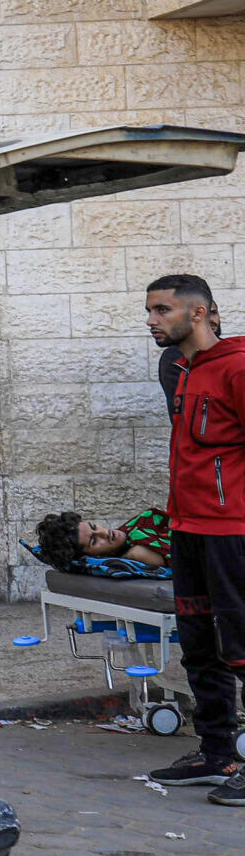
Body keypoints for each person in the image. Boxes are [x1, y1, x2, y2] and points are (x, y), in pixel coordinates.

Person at [148, 273, 245, 801]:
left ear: (201, 312)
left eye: (162, 310)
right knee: (199, 645)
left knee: (242, 646)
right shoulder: (183, 370)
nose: (152, 320)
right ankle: (217, 755)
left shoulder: (237, 367)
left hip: (232, 532)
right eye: (151, 310)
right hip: (187, 528)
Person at [33, 508, 171, 572]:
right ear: (94, 556)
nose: (104, 533)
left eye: (94, 527)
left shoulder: (135, 526)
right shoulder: (137, 552)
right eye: (94, 540)